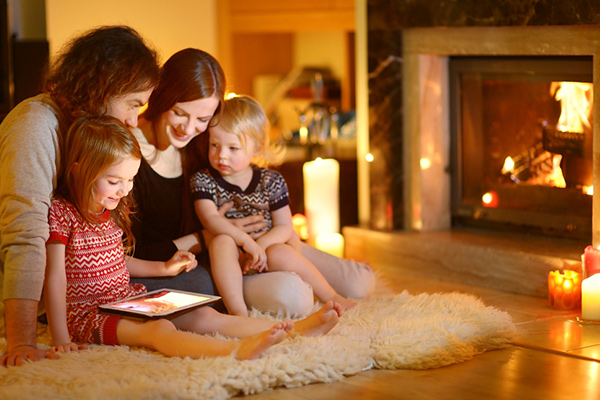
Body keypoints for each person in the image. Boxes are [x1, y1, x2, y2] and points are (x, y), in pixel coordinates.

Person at [44, 115, 342, 361]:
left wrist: (163, 269)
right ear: (79, 171)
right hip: (88, 314)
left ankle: (296, 330)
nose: (123, 190)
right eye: (114, 181)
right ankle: (236, 351)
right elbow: (55, 276)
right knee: (158, 332)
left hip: (126, 300)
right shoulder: (62, 213)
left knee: (205, 316)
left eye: (130, 180)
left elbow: (116, 260)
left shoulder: (109, 211)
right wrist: (61, 336)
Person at [130, 48, 375, 316]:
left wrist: (282, 238)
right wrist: (207, 236)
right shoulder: (127, 156)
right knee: (294, 297)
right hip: (213, 258)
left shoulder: (207, 140)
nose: (188, 129)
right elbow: (132, 253)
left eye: (202, 119)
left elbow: (246, 157)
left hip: (262, 242)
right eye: (179, 113)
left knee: (358, 283)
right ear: (162, 97)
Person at [0, 25, 160, 367]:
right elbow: (25, 236)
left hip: (82, 288)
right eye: (133, 104)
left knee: (190, 290)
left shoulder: (86, 130)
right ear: (105, 85)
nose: (133, 120)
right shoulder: (35, 125)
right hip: (45, 293)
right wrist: (22, 343)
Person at [190, 95, 357, 316]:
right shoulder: (203, 180)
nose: (221, 155)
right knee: (221, 241)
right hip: (233, 257)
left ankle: (331, 295)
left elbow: (284, 226)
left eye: (233, 148)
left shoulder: (270, 180)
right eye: (214, 145)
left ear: (257, 148)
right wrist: (247, 243)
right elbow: (210, 219)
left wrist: (261, 246)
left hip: (266, 253)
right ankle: (238, 312)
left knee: (281, 250)